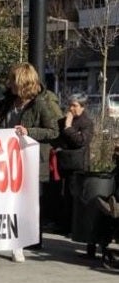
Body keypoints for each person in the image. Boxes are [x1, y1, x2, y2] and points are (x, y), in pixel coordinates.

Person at [0, 62, 62, 262]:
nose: (9, 84)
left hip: (30, 162)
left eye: (13, 80)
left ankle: (17, 244)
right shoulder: (9, 102)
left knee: (21, 203)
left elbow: (55, 131)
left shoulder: (43, 103)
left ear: (22, 83)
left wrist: (30, 132)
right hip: (6, 160)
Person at [51, 93, 94, 235]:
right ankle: (63, 225)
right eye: (70, 105)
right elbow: (56, 139)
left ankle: (73, 227)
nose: (71, 108)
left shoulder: (86, 122)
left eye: (75, 105)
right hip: (63, 163)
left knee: (74, 196)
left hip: (78, 165)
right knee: (63, 195)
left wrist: (69, 128)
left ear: (82, 107)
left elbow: (81, 141)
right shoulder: (63, 121)